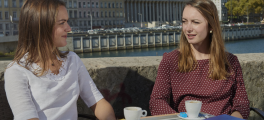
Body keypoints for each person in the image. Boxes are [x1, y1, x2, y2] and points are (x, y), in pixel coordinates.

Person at [4, 0, 116, 120]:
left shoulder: (72, 60)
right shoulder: (17, 71)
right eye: (62, 23)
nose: (68, 28)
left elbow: (98, 102)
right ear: (41, 26)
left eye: (67, 22)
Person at [149, 0, 250, 119]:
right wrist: (179, 118)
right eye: (184, 21)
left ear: (211, 26)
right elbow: (156, 101)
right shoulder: (171, 60)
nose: (188, 28)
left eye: (195, 22)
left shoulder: (230, 61)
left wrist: (232, 118)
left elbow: (241, 103)